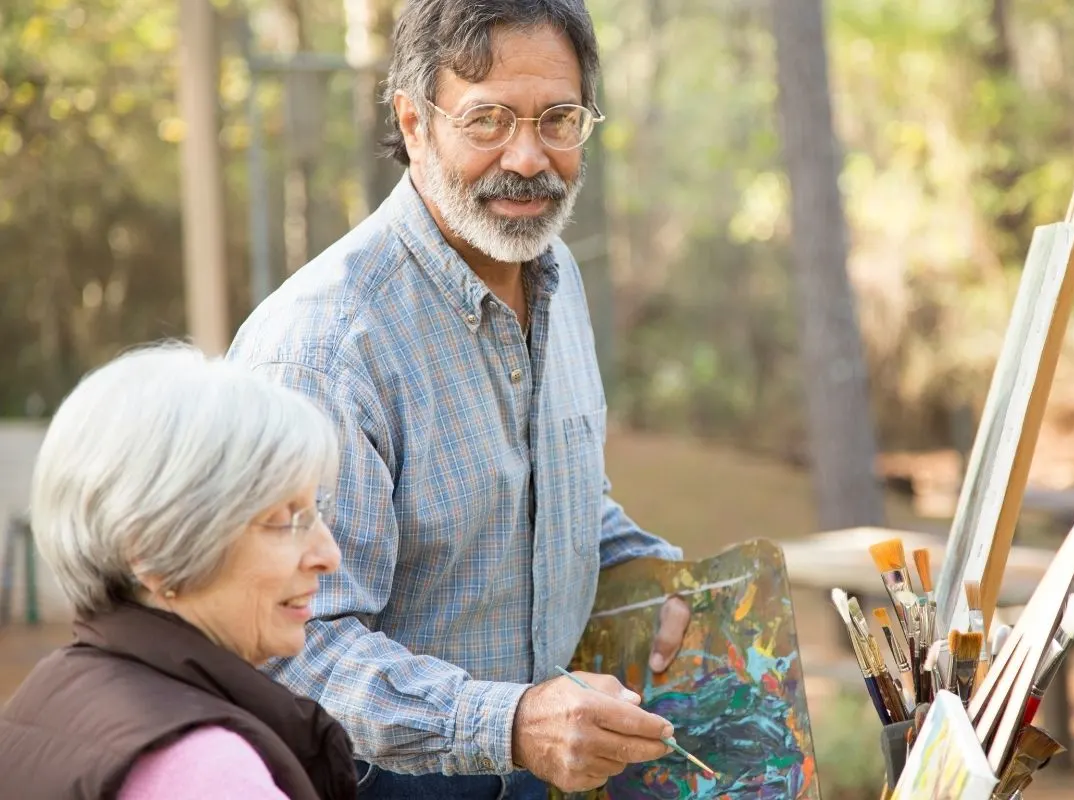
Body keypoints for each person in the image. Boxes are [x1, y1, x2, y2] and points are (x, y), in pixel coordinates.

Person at [224, 0, 693, 796]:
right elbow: (294, 646)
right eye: (487, 121)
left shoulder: (558, 278)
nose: (528, 157)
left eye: (558, 119)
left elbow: (551, 497)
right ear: (414, 121)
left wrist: (648, 565)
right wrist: (509, 725)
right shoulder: (325, 349)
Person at [0, 343, 357, 800]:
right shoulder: (206, 772)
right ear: (152, 548)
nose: (328, 554)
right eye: (283, 518)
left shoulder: (53, 692)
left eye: (316, 509)